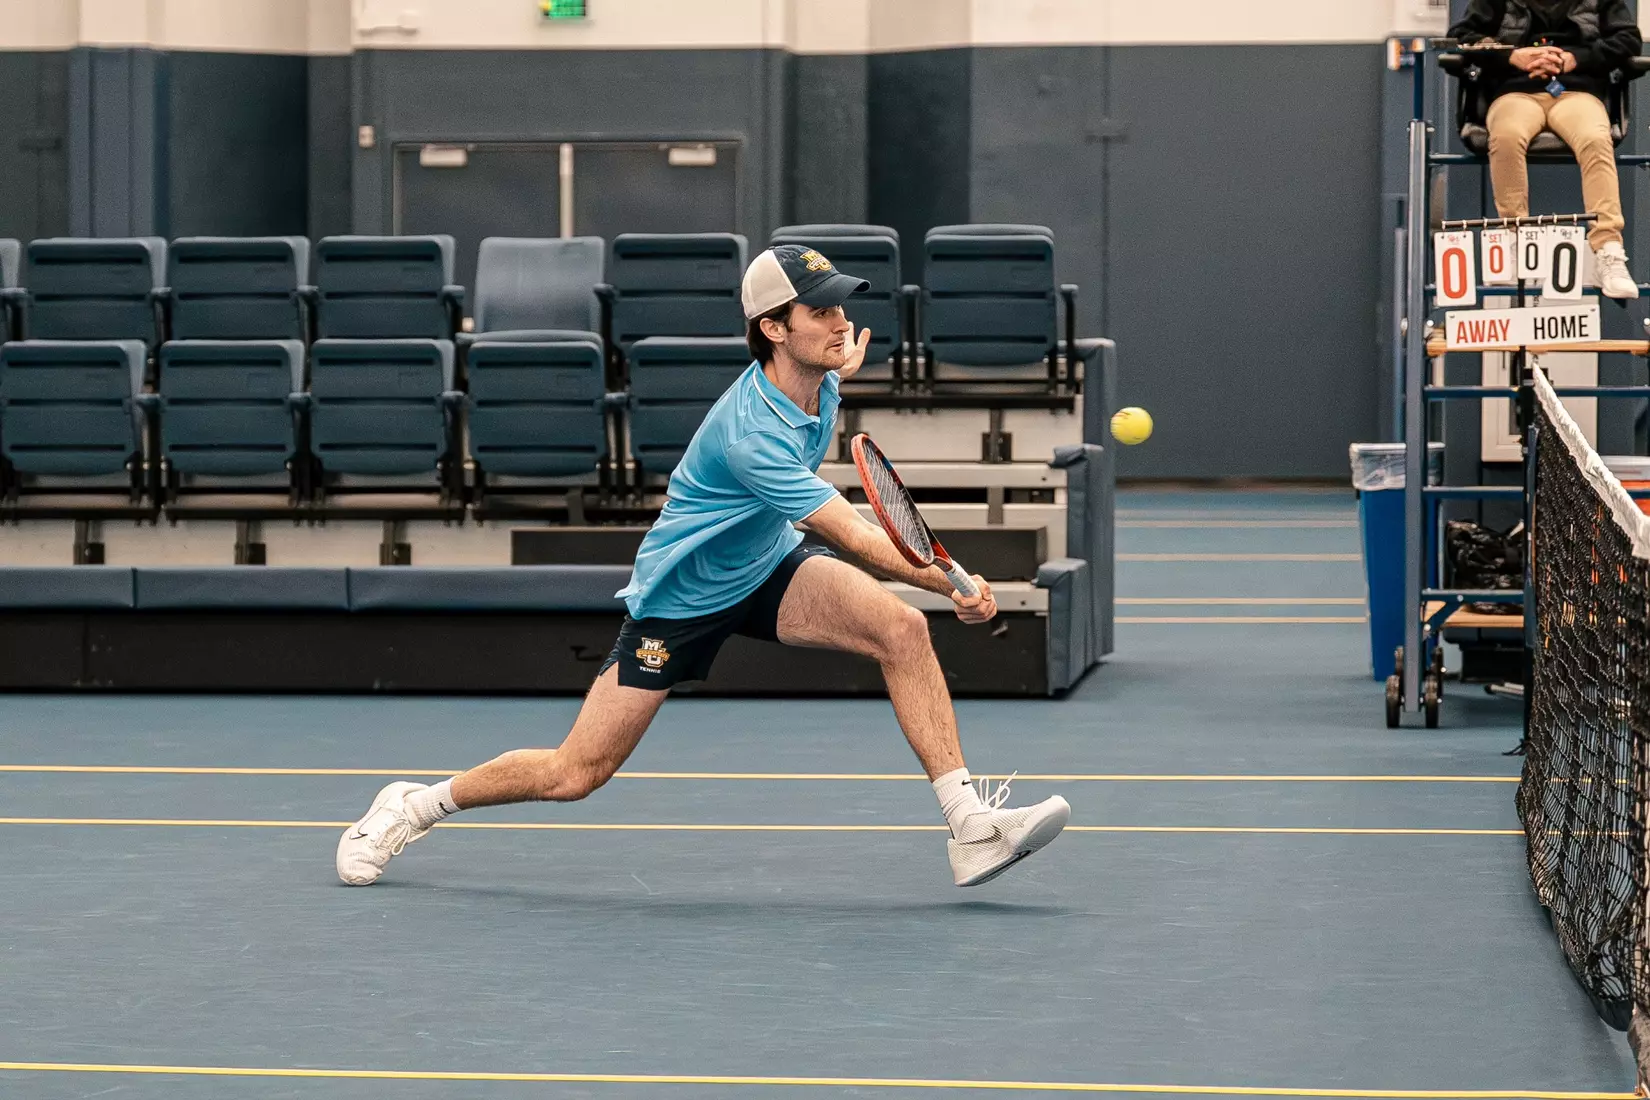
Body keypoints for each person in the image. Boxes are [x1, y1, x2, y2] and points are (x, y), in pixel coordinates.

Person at [336, 244, 1071, 889]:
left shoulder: (818, 378)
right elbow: (849, 529)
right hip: (682, 599)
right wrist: (951, 578)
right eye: (817, 312)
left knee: (902, 631)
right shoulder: (750, 433)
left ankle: (969, 829)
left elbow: (831, 413)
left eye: (839, 304)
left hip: (767, 565)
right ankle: (413, 804)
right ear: (773, 330)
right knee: (576, 774)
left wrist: (840, 364)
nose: (839, 321)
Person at [1448, 0, 1644, 299]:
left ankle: (1609, 251)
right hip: (1515, 93)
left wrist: (1572, 58)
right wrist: (1514, 57)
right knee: (1507, 136)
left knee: (1595, 138)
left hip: (1577, 93)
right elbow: (1463, 37)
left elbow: (1628, 40)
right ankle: (1515, 240)